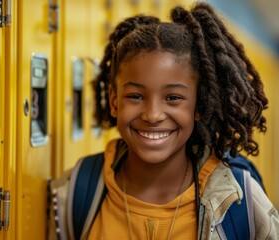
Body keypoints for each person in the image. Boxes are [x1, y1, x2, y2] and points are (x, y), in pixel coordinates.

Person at [48, 2, 279, 239]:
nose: (153, 115)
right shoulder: (76, 192)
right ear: (115, 102)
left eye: (173, 98)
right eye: (136, 96)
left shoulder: (240, 201)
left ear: (198, 106)